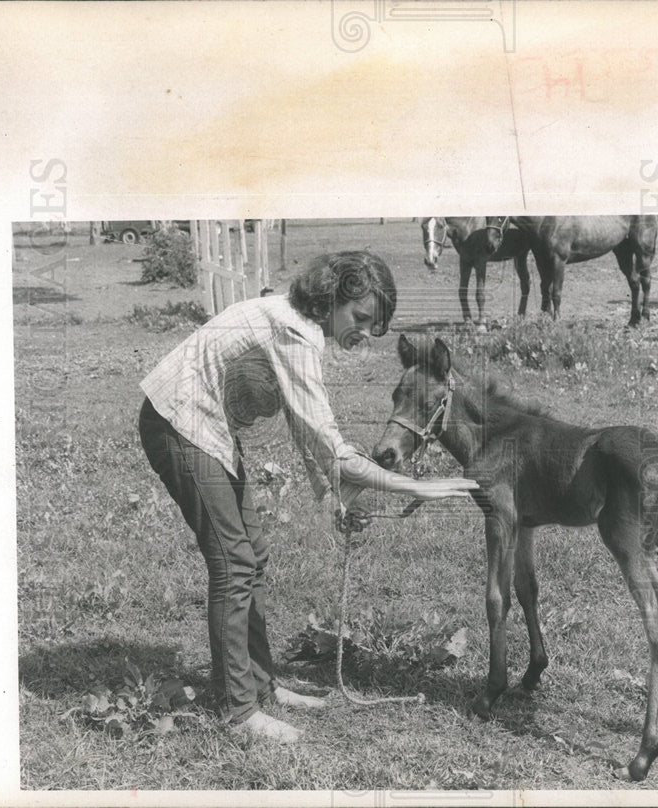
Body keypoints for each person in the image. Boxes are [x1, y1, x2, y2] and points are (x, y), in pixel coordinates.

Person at [138, 250, 478, 743]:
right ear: (332, 295)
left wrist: (336, 497)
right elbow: (333, 450)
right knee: (233, 562)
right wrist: (417, 486)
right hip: (177, 423)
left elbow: (306, 429)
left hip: (205, 425)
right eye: (360, 317)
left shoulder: (297, 323)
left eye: (374, 325)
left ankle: (260, 686)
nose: (363, 332)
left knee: (252, 552)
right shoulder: (294, 331)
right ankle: (239, 714)